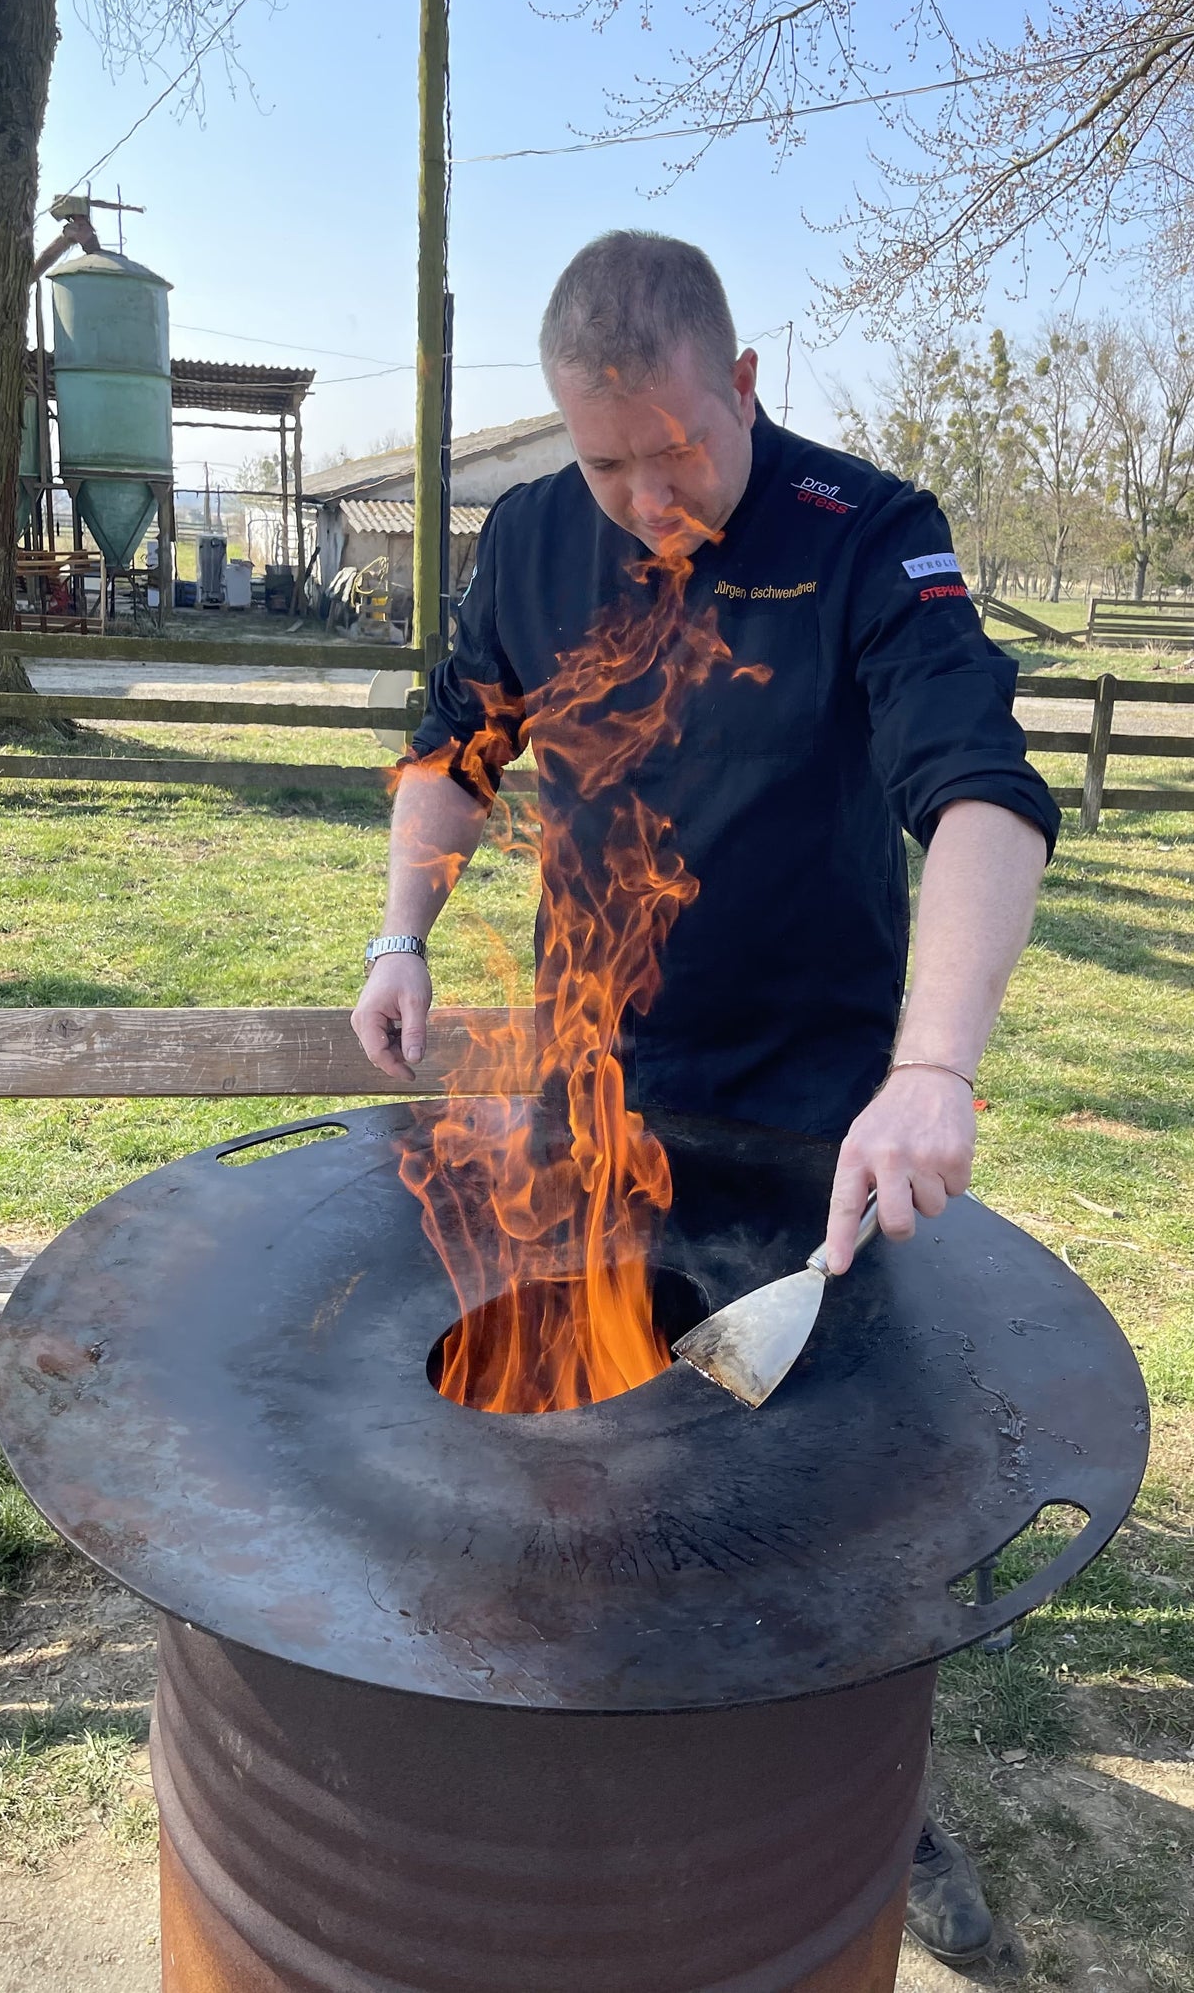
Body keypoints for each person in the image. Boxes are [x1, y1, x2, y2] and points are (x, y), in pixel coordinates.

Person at [352, 231, 1059, 1967]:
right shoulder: (526, 538)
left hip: (819, 1116)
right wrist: (401, 932)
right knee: (600, 1443)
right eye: (610, 461)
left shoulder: (869, 533)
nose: (652, 494)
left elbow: (982, 791)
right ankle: (595, 1727)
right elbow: (457, 744)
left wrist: (934, 1067)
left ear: (744, 385)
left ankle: (870, 1803)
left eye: (681, 447)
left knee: (836, 1489)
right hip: (594, 1092)